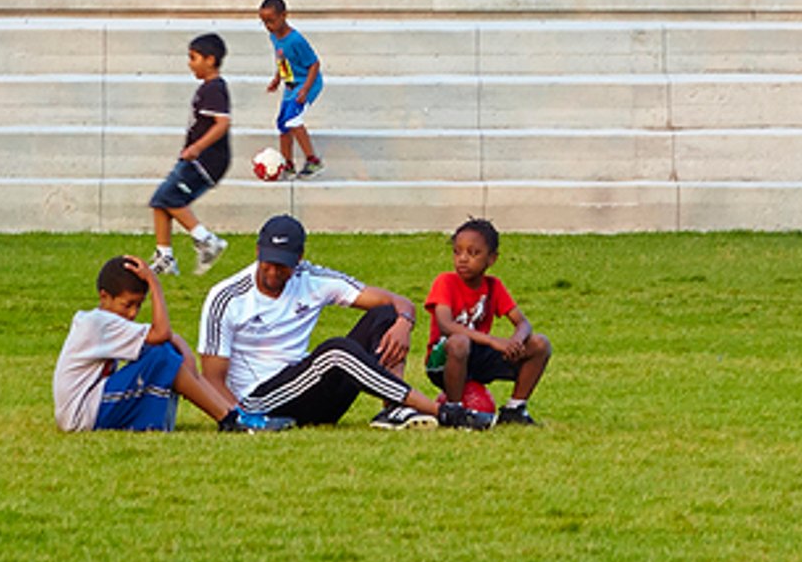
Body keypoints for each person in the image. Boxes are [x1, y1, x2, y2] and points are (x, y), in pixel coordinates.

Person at [198, 213, 492, 429]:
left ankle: (393, 410)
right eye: (269, 263)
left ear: (299, 258)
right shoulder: (226, 297)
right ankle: (446, 413)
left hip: (309, 394)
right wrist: (241, 420)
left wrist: (404, 322)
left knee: (384, 315)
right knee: (335, 351)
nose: (274, 272)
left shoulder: (312, 278)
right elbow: (212, 378)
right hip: (258, 402)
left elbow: (396, 301)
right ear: (257, 252)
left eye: (283, 265)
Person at [51, 253, 293, 434]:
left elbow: (163, 339)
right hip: (80, 416)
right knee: (162, 356)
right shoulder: (98, 323)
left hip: (89, 408)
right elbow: (162, 332)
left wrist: (180, 350)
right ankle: (230, 419)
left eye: (138, 305)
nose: (133, 313)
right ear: (104, 297)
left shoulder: (104, 322)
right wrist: (155, 283)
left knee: (163, 353)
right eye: (127, 305)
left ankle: (235, 415)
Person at [426, 217, 552, 424]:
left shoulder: (493, 286)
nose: (463, 259)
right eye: (457, 252)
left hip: (477, 355)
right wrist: (494, 341)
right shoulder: (445, 282)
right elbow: (445, 325)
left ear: (491, 259)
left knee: (540, 344)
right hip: (444, 358)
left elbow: (523, 323)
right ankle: (455, 410)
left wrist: (516, 341)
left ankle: (515, 408)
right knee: (459, 342)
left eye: (473, 253)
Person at [147, 34, 232, 277]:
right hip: (196, 159)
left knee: (171, 199)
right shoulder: (207, 88)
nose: (190, 63)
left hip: (206, 161)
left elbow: (222, 124)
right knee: (160, 200)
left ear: (210, 59)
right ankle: (165, 258)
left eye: (193, 58)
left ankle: (208, 241)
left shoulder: (215, 89)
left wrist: (197, 147)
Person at [257, 0, 323, 176]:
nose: (268, 26)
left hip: (308, 83)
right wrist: (278, 78)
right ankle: (288, 164)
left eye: (271, 21)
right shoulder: (274, 36)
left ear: (284, 15)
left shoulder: (296, 40)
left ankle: (313, 160)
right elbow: (282, 58)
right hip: (291, 85)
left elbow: (314, 64)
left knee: (293, 120)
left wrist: (305, 90)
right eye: (264, 22)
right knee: (282, 125)